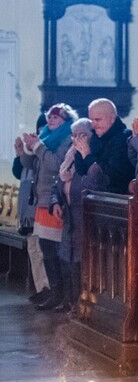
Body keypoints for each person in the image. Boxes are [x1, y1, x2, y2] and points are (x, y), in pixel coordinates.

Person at [18, 103, 77, 311]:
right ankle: (53, 292)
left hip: (55, 202)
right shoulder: (45, 136)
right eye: (49, 117)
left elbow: (56, 164)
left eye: (56, 118)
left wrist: (38, 146)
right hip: (42, 201)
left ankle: (63, 295)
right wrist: (25, 150)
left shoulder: (66, 139)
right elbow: (31, 164)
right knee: (46, 250)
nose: (50, 120)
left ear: (65, 120)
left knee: (55, 251)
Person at [52, 118, 108, 313]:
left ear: (90, 135)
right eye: (74, 135)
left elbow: (94, 184)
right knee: (65, 259)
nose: (76, 139)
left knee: (80, 262)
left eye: (81, 135)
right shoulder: (69, 156)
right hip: (68, 216)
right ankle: (68, 300)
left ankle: (81, 305)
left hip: (84, 217)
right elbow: (56, 183)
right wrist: (55, 202)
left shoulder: (94, 156)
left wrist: (86, 155)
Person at [13, 114, 50, 303]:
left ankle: (49, 288)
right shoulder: (31, 148)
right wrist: (20, 153)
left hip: (40, 206)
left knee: (43, 249)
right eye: (41, 128)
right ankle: (40, 287)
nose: (42, 131)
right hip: (28, 208)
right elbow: (19, 172)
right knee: (33, 249)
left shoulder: (47, 148)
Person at [74, 99, 134, 194]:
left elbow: (111, 175)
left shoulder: (124, 138)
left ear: (112, 118)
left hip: (116, 198)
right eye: (91, 120)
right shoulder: (94, 137)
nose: (93, 125)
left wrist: (87, 155)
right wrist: (79, 151)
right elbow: (82, 171)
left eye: (97, 119)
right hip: (95, 197)